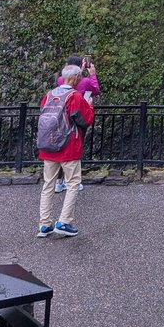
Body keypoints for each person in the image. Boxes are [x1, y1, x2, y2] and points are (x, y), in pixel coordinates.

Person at [37, 63, 95, 238]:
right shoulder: (74, 97)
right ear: (76, 78)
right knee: (73, 184)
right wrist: (90, 105)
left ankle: (44, 224)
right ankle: (64, 221)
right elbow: (86, 120)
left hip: (48, 146)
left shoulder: (48, 95)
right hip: (68, 147)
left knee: (48, 184)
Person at [54, 55, 100, 193]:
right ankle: (72, 181)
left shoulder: (60, 80)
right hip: (78, 118)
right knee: (75, 149)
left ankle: (58, 181)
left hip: (63, 117)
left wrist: (78, 71)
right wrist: (92, 74)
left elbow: (70, 81)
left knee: (62, 148)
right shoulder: (85, 82)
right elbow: (96, 90)